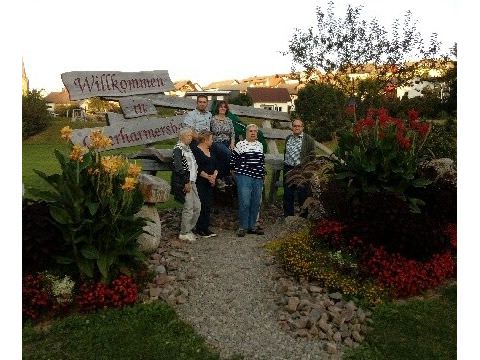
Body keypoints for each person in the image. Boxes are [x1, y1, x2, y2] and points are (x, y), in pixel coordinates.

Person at [231, 123, 265, 237]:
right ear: (247, 133)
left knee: (256, 202)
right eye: (251, 131)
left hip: (258, 177)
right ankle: (243, 227)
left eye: (255, 131)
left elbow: (261, 161)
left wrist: (263, 174)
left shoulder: (260, 145)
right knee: (245, 201)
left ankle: (252, 226)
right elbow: (233, 159)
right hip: (244, 176)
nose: (253, 133)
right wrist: (234, 171)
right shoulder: (240, 144)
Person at [170, 128, 201, 242]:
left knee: (197, 206)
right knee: (188, 207)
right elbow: (178, 167)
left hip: (192, 181)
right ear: (181, 136)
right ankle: (184, 232)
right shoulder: (178, 149)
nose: (190, 137)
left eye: (191, 135)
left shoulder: (188, 149)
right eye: (188, 135)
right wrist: (186, 182)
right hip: (185, 182)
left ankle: (189, 229)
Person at [283, 118, 316, 217]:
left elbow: (312, 156)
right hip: (288, 169)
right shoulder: (288, 138)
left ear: (302, 127)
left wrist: (308, 170)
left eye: (299, 126)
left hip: (302, 170)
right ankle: (288, 218)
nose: (297, 128)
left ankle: (303, 218)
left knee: (303, 195)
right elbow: (286, 153)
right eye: (295, 126)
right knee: (288, 195)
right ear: (292, 127)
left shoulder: (308, 139)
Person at [192, 130, 218, 238]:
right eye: (211, 139)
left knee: (208, 204)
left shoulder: (211, 150)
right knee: (201, 204)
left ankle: (205, 227)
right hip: (201, 181)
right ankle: (199, 228)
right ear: (205, 140)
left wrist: (214, 176)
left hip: (211, 182)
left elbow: (216, 164)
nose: (212, 141)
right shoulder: (196, 151)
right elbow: (197, 168)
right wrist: (207, 177)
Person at [210, 100, 235, 183]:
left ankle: (220, 176)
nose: (222, 108)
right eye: (221, 107)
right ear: (218, 108)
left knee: (225, 156)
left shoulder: (229, 120)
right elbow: (209, 132)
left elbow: (232, 134)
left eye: (224, 107)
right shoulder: (212, 119)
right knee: (228, 153)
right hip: (216, 142)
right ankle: (227, 174)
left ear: (226, 109)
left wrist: (232, 143)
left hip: (227, 143)